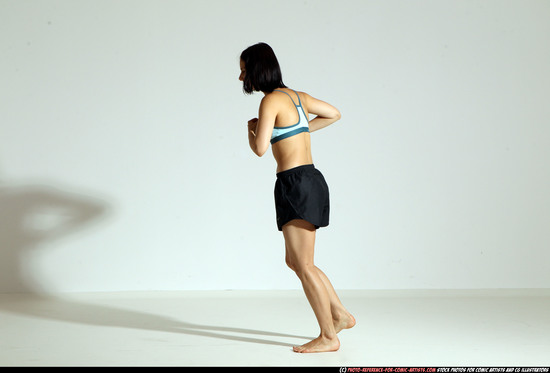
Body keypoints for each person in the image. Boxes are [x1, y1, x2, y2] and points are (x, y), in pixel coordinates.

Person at [239, 42, 355, 353]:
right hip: (309, 179)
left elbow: (260, 149)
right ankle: (341, 315)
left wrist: (251, 130)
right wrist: (297, 131)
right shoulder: (296, 96)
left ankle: (329, 336)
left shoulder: (270, 102)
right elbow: (334, 114)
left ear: (257, 70)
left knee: (303, 264)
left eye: (244, 69)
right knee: (296, 261)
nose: (241, 77)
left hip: (295, 183)